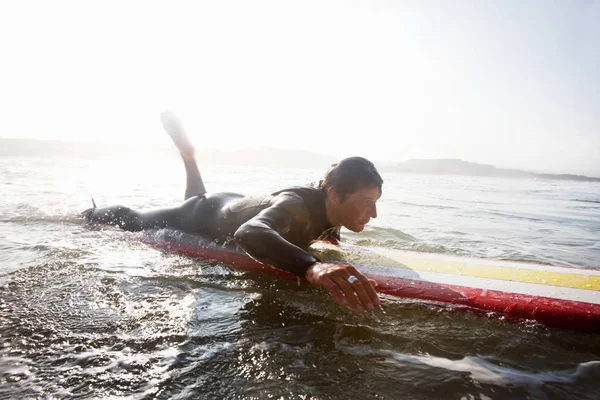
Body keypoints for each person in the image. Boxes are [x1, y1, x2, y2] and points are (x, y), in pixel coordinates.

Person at [83, 112, 383, 313]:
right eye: (366, 202)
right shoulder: (296, 205)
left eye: (376, 202)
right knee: (134, 219)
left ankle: (189, 158)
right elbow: (249, 232)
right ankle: (86, 214)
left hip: (233, 203)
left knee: (196, 195)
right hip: (202, 214)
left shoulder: (332, 207)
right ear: (334, 194)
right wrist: (312, 267)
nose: (373, 213)